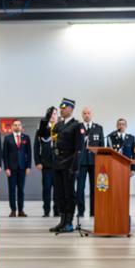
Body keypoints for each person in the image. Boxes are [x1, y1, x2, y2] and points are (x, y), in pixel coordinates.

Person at [50, 99, 83, 233]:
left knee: (69, 194)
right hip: (58, 163)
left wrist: (74, 167)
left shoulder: (77, 126)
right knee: (59, 193)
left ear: (71, 109)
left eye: (64, 108)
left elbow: (79, 149)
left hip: (69, 163)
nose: (62, 110)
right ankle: (62, 220)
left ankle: (69, 222)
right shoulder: (58, 125)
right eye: (61, 108)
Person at [0, 119, 32, 217]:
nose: (17, 126)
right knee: (12, 189)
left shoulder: (26, 138)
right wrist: (6, 168)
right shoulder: (7, 138)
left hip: (22, 167)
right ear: (12, 127)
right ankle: (13, 210)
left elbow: (29, 153)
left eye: (18, 125)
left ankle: (21, 210)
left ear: (21, 127)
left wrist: (28, 167)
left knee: (21, 190)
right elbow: (4, 154)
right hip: (11, 168)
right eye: (15, 125)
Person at [76, 107, 104, 218]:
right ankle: (81, 211)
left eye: (88, 113)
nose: (87, 115)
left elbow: (101, 145)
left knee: (94, 188)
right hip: (81, 162)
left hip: (94, 162)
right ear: (82, 115)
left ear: (92, 114)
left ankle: (94, 211)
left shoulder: (98, 128)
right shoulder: (77, 128)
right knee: (80, 188)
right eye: (84, 113)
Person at [34, 107, 56, 217]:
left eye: (55, 114)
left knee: (58, 190)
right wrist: (37, 161)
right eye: (51, 114)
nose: (53, 116)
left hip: (59, 165)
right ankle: (46, 211)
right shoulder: (42, 129)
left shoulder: (61, 128)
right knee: (46, 189)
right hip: (46, 165)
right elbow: (36, 146)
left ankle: (57, 211)